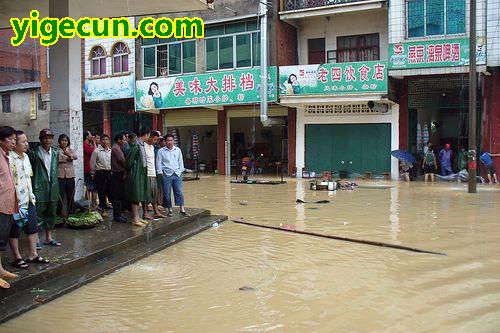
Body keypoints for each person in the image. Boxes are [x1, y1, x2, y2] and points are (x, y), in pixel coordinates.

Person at [9, 131, 49, 270]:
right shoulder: (9, 158)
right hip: (15, 201)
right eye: (23, 141)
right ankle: (17, 257)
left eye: (27, 141)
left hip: (29, 198)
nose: (27, 144)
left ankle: (33, 254)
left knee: (32, 227)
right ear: (15, 144)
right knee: (14, 229)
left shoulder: (26, 157)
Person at [29, 129, 61, 247]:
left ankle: (49, 238)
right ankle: (36, 240)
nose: (47, 140)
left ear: (52, 139)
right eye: (45, 138)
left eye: (49, 138)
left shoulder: (55, 153)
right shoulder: (34, 153)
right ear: (40, 139)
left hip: (52, 187)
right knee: (38, 214)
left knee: (51, 213)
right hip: (39, 187)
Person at [0, 126, 19, 288]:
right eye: (11, 139)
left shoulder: (6, 156)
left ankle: (0, 270)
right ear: (1, 140)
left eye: (15, 139)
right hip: (0, 204)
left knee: (1, 239)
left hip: (7, 204)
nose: (14, 141)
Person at [157, 133, 188, 217]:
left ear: (173, 141)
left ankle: (182, 208)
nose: (169, 142)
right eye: (168, 140)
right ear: (165, 141)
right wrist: (161, 173)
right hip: (166, 174)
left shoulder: (177, 150)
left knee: (179, 191)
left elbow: (180, 161)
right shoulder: (161, 151)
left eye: (171, 140)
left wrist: (181, 170)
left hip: (177, 174)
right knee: (167, 193)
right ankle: (169, 209)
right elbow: (158, 163)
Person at [125, 129, 149, 227]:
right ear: (146, 134)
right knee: (135, 196)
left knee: (139, 196)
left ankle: (137, 217)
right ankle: (135, 219)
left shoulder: (141, 145)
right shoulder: (135, 145)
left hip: (141, 172)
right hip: (136, 173)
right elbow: (129, 162)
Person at [143, 131, 165, 219]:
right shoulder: (143, 146)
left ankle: (156, 211)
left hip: (153, 173)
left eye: (157, 140)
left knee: (154, 193)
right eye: (155, 139)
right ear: (150, 137)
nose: (155, 141)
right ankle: (145, 213)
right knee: (146, 195)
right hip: (146, 174)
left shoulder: (152, 147)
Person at [90, 134, 112, 217]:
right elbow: (92, 164)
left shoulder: (110, 151)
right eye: (103, 139)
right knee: (101, 192)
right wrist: (93, 173)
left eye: (107, 139)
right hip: (100, 173)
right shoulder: (96, 151)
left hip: (109, 173)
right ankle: (103, 209)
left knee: (109, 191)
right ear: (100, 141)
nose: (105, 141)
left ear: (109, 141)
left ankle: (107, 205)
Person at [57, 134, 77, 219]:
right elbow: (58, 159)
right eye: (62, 140)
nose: (64, 142)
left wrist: (68, 154)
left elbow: (75, 157)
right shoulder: (56, 150)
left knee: (71, 195)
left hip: (70, 176)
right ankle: (59, 214)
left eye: (66, 140)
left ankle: (71, 213)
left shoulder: (71, 149)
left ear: (68, 142)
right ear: (59, 141)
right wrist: (68, 158)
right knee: (60, 196)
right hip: (60, 176)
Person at [110, 133, 127, 223]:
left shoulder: (118, 148)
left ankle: (119, 214)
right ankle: (117, 215)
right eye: (123, 140)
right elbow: (122, 160)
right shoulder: (116, 148)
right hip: (117, 174)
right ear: (119, 140)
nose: (125, 141)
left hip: (118, 173)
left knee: (119, 195)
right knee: (117, 195)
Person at [83, 131, 97, 209]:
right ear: (87, 136)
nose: (92, 136)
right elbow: (94, 152)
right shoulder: (84, 145)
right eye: (90, 134)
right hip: (88, 169)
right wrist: (94, 142)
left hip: (90, 168)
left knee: (91, 188)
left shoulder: (88, 144)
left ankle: (92, 205)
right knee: (90, 188)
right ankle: (90, 205)